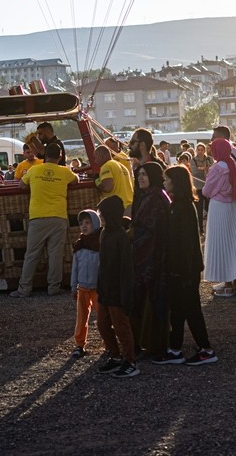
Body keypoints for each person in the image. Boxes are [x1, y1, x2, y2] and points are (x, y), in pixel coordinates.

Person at [154, 166, 216, 366]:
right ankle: (175, 349)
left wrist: (185, 272)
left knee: (191, 310)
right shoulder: (179, 206)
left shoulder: (182, 208)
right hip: (179, 269)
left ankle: (206, 349)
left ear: (176, 182)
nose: (164, 183)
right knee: (178, 311)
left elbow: (187, 243)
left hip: (184, 270)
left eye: (167, 179)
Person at [12, 141, 74, 298]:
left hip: (37, 217)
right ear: (60, 157)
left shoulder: (34, 170)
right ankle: (53, 287)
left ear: (45, 156)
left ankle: (24, 289)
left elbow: (21, 185)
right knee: (55, 254)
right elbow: (76, 181)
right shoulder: (65, 171)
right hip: (58, 217)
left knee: (32, 254)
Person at [130, 161, 171, 361]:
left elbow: (151, 227)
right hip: (143, 258)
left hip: (155, 258)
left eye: (145, 174)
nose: (141, 178)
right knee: (141, 301)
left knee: (155, 303)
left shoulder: (155, 197)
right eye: (139, 175)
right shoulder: (145, 197)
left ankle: (157, 346)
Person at [95, 195, 137, 377]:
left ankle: (130, 361)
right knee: (103, 325)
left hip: (118, 290)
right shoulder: (105, 233)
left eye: (103, 215)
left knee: (121, 326)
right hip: (105, 287)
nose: (101, 218)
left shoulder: (121, 237)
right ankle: (115, 355)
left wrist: (126, 293)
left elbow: (126, 269)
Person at [202, 138, 236, 298]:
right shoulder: (233, 164)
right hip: (233, 206)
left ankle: (227, 285)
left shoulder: (216, 168)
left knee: (221, 242)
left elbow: (206, 191)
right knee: (233, 241)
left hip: (219, 207)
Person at [69, 209, 101, 359]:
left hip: (97, 288)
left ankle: (109, 342)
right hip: (82, 288)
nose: (84, 226)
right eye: (81, 223)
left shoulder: (100, 245)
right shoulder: (79, 246)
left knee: (103, 317)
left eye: (88, 223)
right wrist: (73, 286)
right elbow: (74, 268)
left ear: (95, 223)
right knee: (81, 318)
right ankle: (79, 344)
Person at [94, 145, 134, 210]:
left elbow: (107, 188)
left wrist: (97, 181)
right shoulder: (121, 166)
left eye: (96, 158)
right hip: (129, 205)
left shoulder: (106, 166)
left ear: (102, 156)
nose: (95, 161)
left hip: (117, 208)